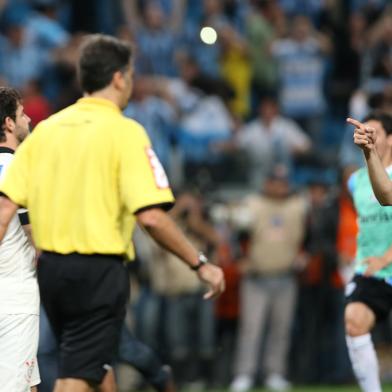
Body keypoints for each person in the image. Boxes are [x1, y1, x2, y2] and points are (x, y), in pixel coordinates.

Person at [0, 34, 225, 392]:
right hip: (97, 270)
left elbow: (6, 204)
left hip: (53, 274)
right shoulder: (126, 133)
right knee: (76, 377)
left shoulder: (47, 131)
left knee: (95, 367)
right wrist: (200, 264)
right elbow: (151, 217)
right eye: (131, 74)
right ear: (119, 78)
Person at [344, 111, 392, 392]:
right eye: (364, 130)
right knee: (354, 321)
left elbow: (386, 195)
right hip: (370, 269)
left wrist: (386, 256)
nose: (367, 133)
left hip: (385, 262)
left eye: (374, 131)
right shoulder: (355, 181)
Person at [0, 86, 40, 391]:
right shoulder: (18, 170)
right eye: (22, 112)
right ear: (9, 124)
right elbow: (36, 234)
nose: (28, 118)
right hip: (14, 299)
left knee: (28, 386)